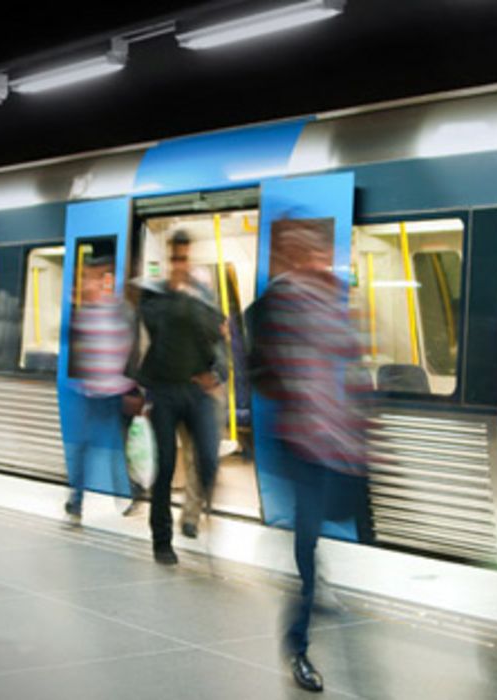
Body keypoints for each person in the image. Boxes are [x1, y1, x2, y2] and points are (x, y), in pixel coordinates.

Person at [250, 218, 369, 693]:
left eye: (320, 251)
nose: (316, 259)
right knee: (307, 537)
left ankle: (315, 581)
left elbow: (350, 353)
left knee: (322, 528)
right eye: (305, 251)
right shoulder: (273, 304)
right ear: (288, 255)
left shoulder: (331, 299)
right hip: (302, 440)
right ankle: (297, 645)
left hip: (338, 440)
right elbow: (265, 368)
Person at [135, 230, 225, 565]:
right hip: (163, 390)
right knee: (167, 464)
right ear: (168, 259)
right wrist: (177, 294)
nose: (180, 264)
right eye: (175, 258)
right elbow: (154, 327)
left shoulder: (201, 293)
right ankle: (162, 540)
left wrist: (215, 374)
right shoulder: (153, 294)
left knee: (208, 458)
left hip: (195, 388)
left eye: (184, 258)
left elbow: (217, 333)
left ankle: (199, 514)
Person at [63, 253, 140, 525]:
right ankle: (77, 501)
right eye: (85, 278)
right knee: (86, 448)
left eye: (92, 277)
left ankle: (129, 496)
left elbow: (134, 353)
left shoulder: (122, 311)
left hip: (118, 396)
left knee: (117, 449)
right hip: (93, 395)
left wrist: (133, 391)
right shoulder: (83, 315)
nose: (87, 283)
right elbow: (82, 355)